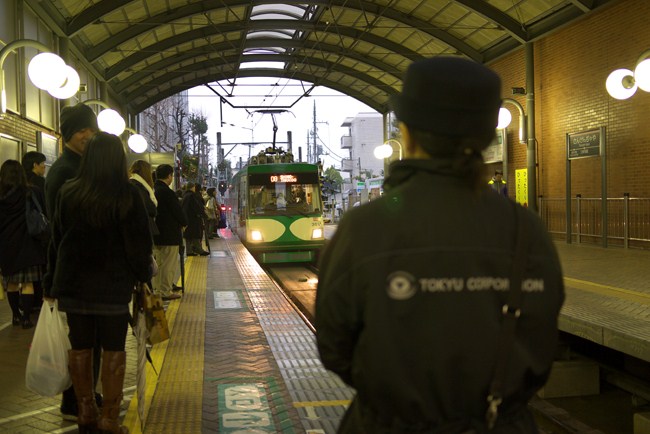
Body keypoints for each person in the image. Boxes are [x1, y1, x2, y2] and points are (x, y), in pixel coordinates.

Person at [315, 57, 565, 433]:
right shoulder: (526, 229)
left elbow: (334, 346)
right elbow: (542, 335)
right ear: (485, 137)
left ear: (407, 132)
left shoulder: (364, 228)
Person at [45, 132, 153, 434]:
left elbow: (56, 241)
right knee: (113, 349)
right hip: (112, 288)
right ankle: (109, 419)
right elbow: (139, 245)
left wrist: (50, 283)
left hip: (74, 286)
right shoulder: (127, 195)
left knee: (80, 348)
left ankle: (85, 413)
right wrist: (143, 275)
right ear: (118, 160)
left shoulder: (68, 192)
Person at [43, 102, 101, 421]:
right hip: (77, 271)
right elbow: (60, 230)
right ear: (68, 134)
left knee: (86, 342)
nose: (88, 135)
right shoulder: (65, 171)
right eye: (81, 130)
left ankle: (84, 396)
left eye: (91, 129)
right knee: (82, 343)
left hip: (83, 269)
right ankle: (75, 401)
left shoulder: (79, 165)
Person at [0, 160, 47, 328]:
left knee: (11, 284)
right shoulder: (30, 192)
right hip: (28, 244)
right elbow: (42, 212)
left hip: (7, 245)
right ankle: (27, 318)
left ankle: (15, 316)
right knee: (28, 284)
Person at [152, 164, 186, 300]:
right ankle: (165, 291)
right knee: (168, 264)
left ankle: (158, 290)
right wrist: (184, 222)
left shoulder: (154, 190)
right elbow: (177, 211)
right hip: (169, 234)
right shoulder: (167, 192)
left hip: (157, 234)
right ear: (169, 176)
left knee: (160, 264)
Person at [21, 151, 48, 308]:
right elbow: (45, 207)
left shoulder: (20, 182)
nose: (44, 167)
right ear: (34, 165)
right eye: (42, 164)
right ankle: (37, 300)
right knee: (40, 265)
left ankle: (25, 304)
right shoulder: (39, 183)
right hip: (38, 230)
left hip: (21, 232)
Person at [129, 159, 159, 238]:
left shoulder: (131, 184)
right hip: (142, 227)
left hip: (136, 227)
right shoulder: (138, 186)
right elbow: (149, 208)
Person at [182, 182, 209, 256]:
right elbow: (197, 207)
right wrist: (204, 215)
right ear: (192, 187)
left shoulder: (185, 195)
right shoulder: (192, 196)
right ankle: (198, 249)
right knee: (195, 234)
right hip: (193, 219)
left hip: (187, 219)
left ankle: (189, 251)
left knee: (188, 236)